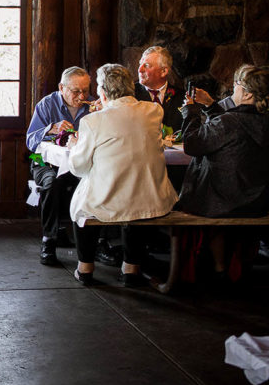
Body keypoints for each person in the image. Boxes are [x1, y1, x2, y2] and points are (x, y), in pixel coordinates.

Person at [67, 64, 177, 286]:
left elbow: (78, 167)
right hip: (152, 196)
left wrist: (74, 145)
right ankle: (131, 268)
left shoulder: (92, 121)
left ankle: (85, 268)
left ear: (103, 92)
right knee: (135, 191)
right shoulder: (154, 111)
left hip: (109, 200)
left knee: (82, 204)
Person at [175, 67, 269, 282]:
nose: (233, 88)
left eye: (237, 85)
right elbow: (233, 128)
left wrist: (190, 113)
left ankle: (218, 268)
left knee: (191, 187)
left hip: (221, 202)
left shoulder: (228, 123)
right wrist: (211, 107)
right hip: (256, 202)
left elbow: (192, 145)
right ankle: (229, 265)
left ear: (247, 94)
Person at [25, 66, 93, 266]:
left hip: (80, 162)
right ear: (61, 87)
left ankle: (97, 241)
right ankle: (49, 240)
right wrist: (50, 129)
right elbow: (30, 142)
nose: (81, 96)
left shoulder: (93, 106)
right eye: (75, 91)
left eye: (85, 90)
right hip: (42, 160)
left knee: (98, 181)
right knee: (52, 183)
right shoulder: (47, 104)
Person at [134, 45, 184, 131]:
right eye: (140, 64)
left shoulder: (182, 97)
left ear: (163, 71)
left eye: (146, 65)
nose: (140, 70)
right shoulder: (131, 93)